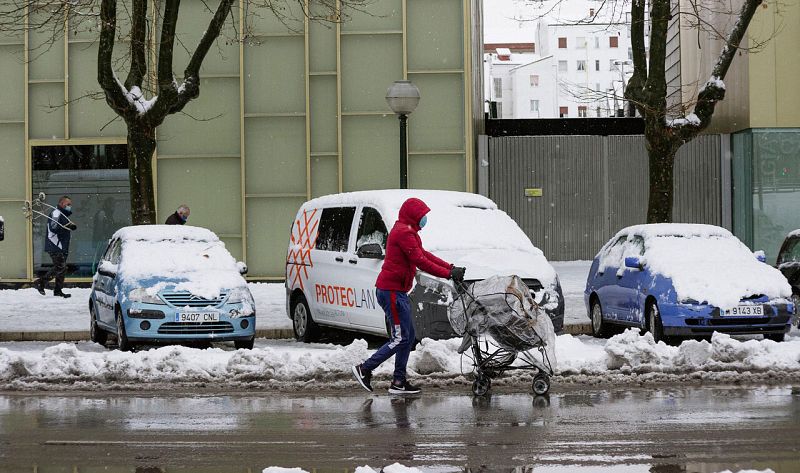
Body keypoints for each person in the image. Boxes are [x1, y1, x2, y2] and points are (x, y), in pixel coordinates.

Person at [352, 197, 466, 395]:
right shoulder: (404, 233)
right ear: (414, 215)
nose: (424, 219)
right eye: (422, 216)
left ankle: (398, 381)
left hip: (396, 292)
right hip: (391, 292)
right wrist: (448, 274)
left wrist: (450, 267)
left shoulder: (408, 231)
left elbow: (424, 254)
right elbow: (420, 260)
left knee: (408, 336)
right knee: (400, 338)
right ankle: (365, 368)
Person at [35, 196, 77, 298]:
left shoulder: (62, 214)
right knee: (61, 267)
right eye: (68, 204)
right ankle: (41, 282)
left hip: (61, 246)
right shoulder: (56, 213)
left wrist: (68, 225)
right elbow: (54, 227)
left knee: (60, 267)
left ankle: (56, 289)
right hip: (55, 245)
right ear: (62, 204)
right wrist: (68, 226)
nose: (69, 206)